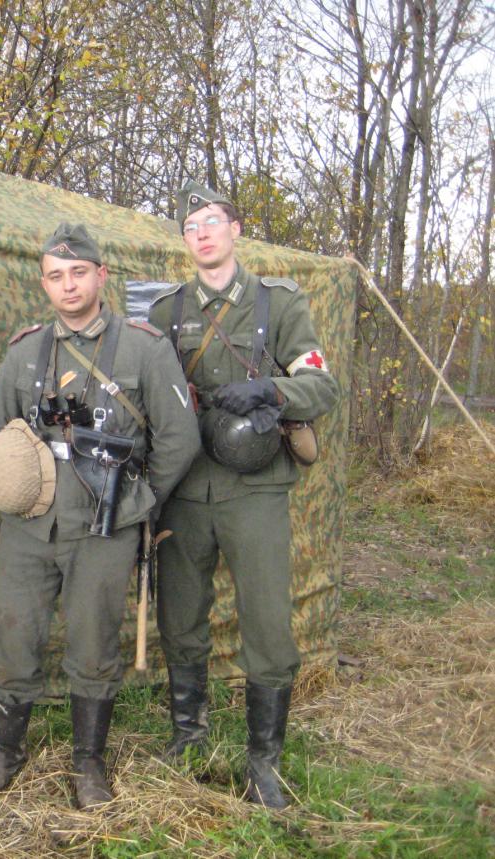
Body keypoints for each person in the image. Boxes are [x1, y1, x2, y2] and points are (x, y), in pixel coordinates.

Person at [0, 223, 199, 808]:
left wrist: (138, 500)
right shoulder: (24, 350)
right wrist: (13, 487)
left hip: (104, 521)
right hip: (29, 521)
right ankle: (4, 752)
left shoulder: (144, 348)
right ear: (44, 283)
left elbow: (179, 438)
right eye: (55, 276)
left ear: (101, 276)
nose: (68, 285)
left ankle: (88, 761)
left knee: (94, 642)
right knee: (13, 635)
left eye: (78, 272)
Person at [148, 181, 340, 808]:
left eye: (212, 221)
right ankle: (188, 736)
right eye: (191, 226)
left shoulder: (277, 303)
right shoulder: (167, 311)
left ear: (234, 229)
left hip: (255, 488)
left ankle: (264, 762)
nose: (202, 234)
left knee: (267, 621)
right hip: (184, 488)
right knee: (180, 616)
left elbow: (321, 386)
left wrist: (272, 392)